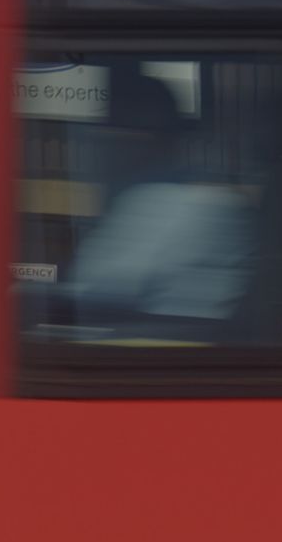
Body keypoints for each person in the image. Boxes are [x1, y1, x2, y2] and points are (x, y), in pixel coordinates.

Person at [57, 71, 255, 341]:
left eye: (112, 134)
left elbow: (103, 293)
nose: (101, 146)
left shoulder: (172, 203)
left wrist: (26, 298)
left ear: (147, 138)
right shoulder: (150, 198)